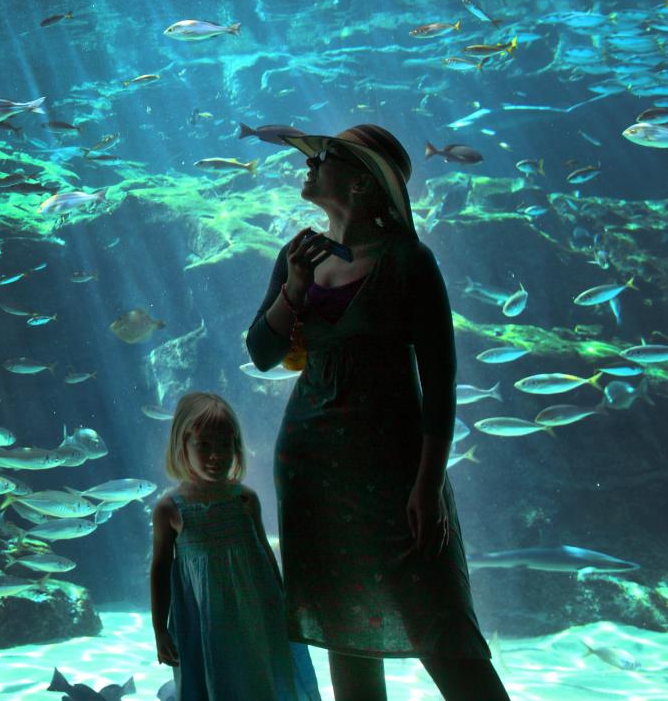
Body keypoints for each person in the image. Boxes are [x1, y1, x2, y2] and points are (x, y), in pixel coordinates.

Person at [246, 124, 512, 701]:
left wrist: (428, 483)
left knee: (442, 625)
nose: (312, 162)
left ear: (364, 183)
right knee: (347, 626)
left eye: (328, 157)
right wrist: (292, 287)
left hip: (394, 471)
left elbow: (441, 384)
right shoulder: (299, 254)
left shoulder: (410, 261)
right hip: (313, 471)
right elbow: (261, 354)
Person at [149, 391, 320, 700]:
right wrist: (159, 629)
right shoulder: (170, 509)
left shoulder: (244, 499)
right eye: (204, 445)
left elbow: (264, 555)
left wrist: (284, 605)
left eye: (225, 444)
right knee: (218, 681)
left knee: (261, 677)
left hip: (256, 615)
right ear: (181, 445)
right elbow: (160, 571)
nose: (216, 455)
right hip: (206, 621)